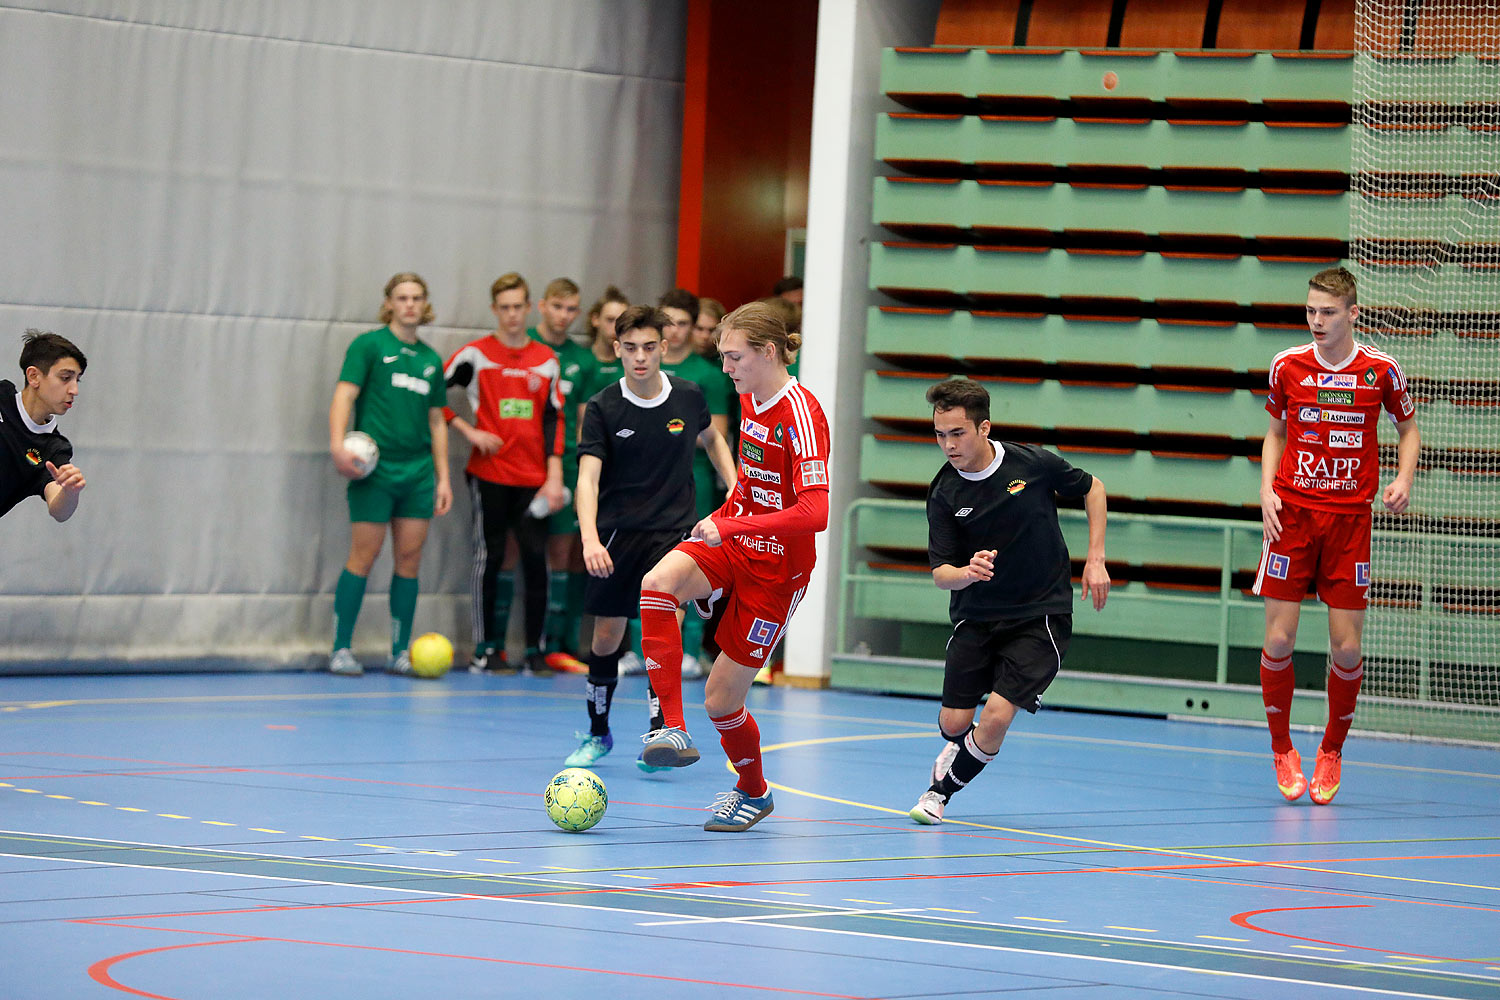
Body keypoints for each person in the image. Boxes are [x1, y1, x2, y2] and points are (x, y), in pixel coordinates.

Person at [635, 301, 831, 833]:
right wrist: (721, 515)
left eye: (734, 356)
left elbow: (816, 513)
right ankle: (669, 729)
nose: (726, 368)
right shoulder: (750, 398)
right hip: (735, 542)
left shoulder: (802, 413)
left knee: (722, 701)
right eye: (722, 357)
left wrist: (736, 526)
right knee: (658, 583)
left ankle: (753, 791)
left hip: (777, 576)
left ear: (768, 352)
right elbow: (753, 485)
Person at [1255, 266, 1419, 805]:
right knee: (1278, 640)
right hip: (1293, 515)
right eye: (1310, 311)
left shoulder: (1381, 370)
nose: (1317, 321)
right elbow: (1274, 433)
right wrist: (1266, 492)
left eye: (1327, 312)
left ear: (1352, 313)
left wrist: (1402, 477)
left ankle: (1331, 749)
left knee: (1346, 650)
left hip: (1350, 522)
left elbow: (1407, 428)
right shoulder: (1288, 366)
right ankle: (1282, 749)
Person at [911, 377, 1109, 824]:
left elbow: (1093, 487)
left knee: (998, 715)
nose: (948, 444)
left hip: (1039, 613)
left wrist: (1094, 559)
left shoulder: (1031, 464)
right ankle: (959, 747)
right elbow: (942, 574)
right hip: (976, 616)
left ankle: (938, 795)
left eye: (957, 433)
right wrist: (967, 572)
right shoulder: (944, 492)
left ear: (984, 428)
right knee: (954, 723)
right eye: (940, 435)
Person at [564, 305, 736, 770]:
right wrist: (589, 540)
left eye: (649, 347)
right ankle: (598, 734)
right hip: (617, 534)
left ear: (664, 347)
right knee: (607, 637)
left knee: (668, 627)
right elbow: (587, 479)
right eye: (630, 348)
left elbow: (714, 440)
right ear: (617, 349)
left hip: (674, 532)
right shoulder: (603, 406)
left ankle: (663, 732)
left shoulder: (688, 396)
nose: (640, 357)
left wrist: (738, 492)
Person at [327, 273, 453, 676]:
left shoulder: (432, 360)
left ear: (425, 303)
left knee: (410, 559)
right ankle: (341, 648)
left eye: (417, 297)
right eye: (402, 298)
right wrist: (337, 445)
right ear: (389, 304)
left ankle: (400, 651)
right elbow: (344, 395)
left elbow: (437, 422)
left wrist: (443, 477)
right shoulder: (369, 346)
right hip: (375, 471)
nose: (410, 305)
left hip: (417, 473)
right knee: (363, 555)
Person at [443, 273, 566, 675]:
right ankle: (485, 650)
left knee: (536, 560)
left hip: (533, 480)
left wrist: (553, 474)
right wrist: (466, 429)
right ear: (495, 310)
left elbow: (554, 419)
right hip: (489, 474)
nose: (512, 315)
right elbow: (433, 393)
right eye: (505, 308)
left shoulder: (546, 359)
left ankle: (534, 650)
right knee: (490, 556)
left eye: (518, 307)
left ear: (529, 308)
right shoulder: (475, 355)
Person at [655, 288, 736, 678]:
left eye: (683, 323)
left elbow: (715, 434)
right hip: (646, 480)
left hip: (693, 478)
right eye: (668, 321)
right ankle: (645, 649)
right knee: (647, 560)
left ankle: (688, 649)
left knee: (693, 557)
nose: (675, 330)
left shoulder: (707, 376)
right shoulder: (644, 367)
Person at [529, 277, 592, 671]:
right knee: (513, 553)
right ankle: (501, 644)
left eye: (571, 309)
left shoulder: (581, 360)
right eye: (557, 306)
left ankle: (558, 644)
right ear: (542, 306)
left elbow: (583, 419)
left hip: (566, 464)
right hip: (520, 464)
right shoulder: (526, 350)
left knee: (564, 553)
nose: (563, 316)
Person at [1, 330, 88, 523]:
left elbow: (59, 510)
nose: (74, 390)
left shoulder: (53, 450)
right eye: (66, 378)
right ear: (34, 377)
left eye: (77, 380)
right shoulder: (2, 395)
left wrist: (70, 492)